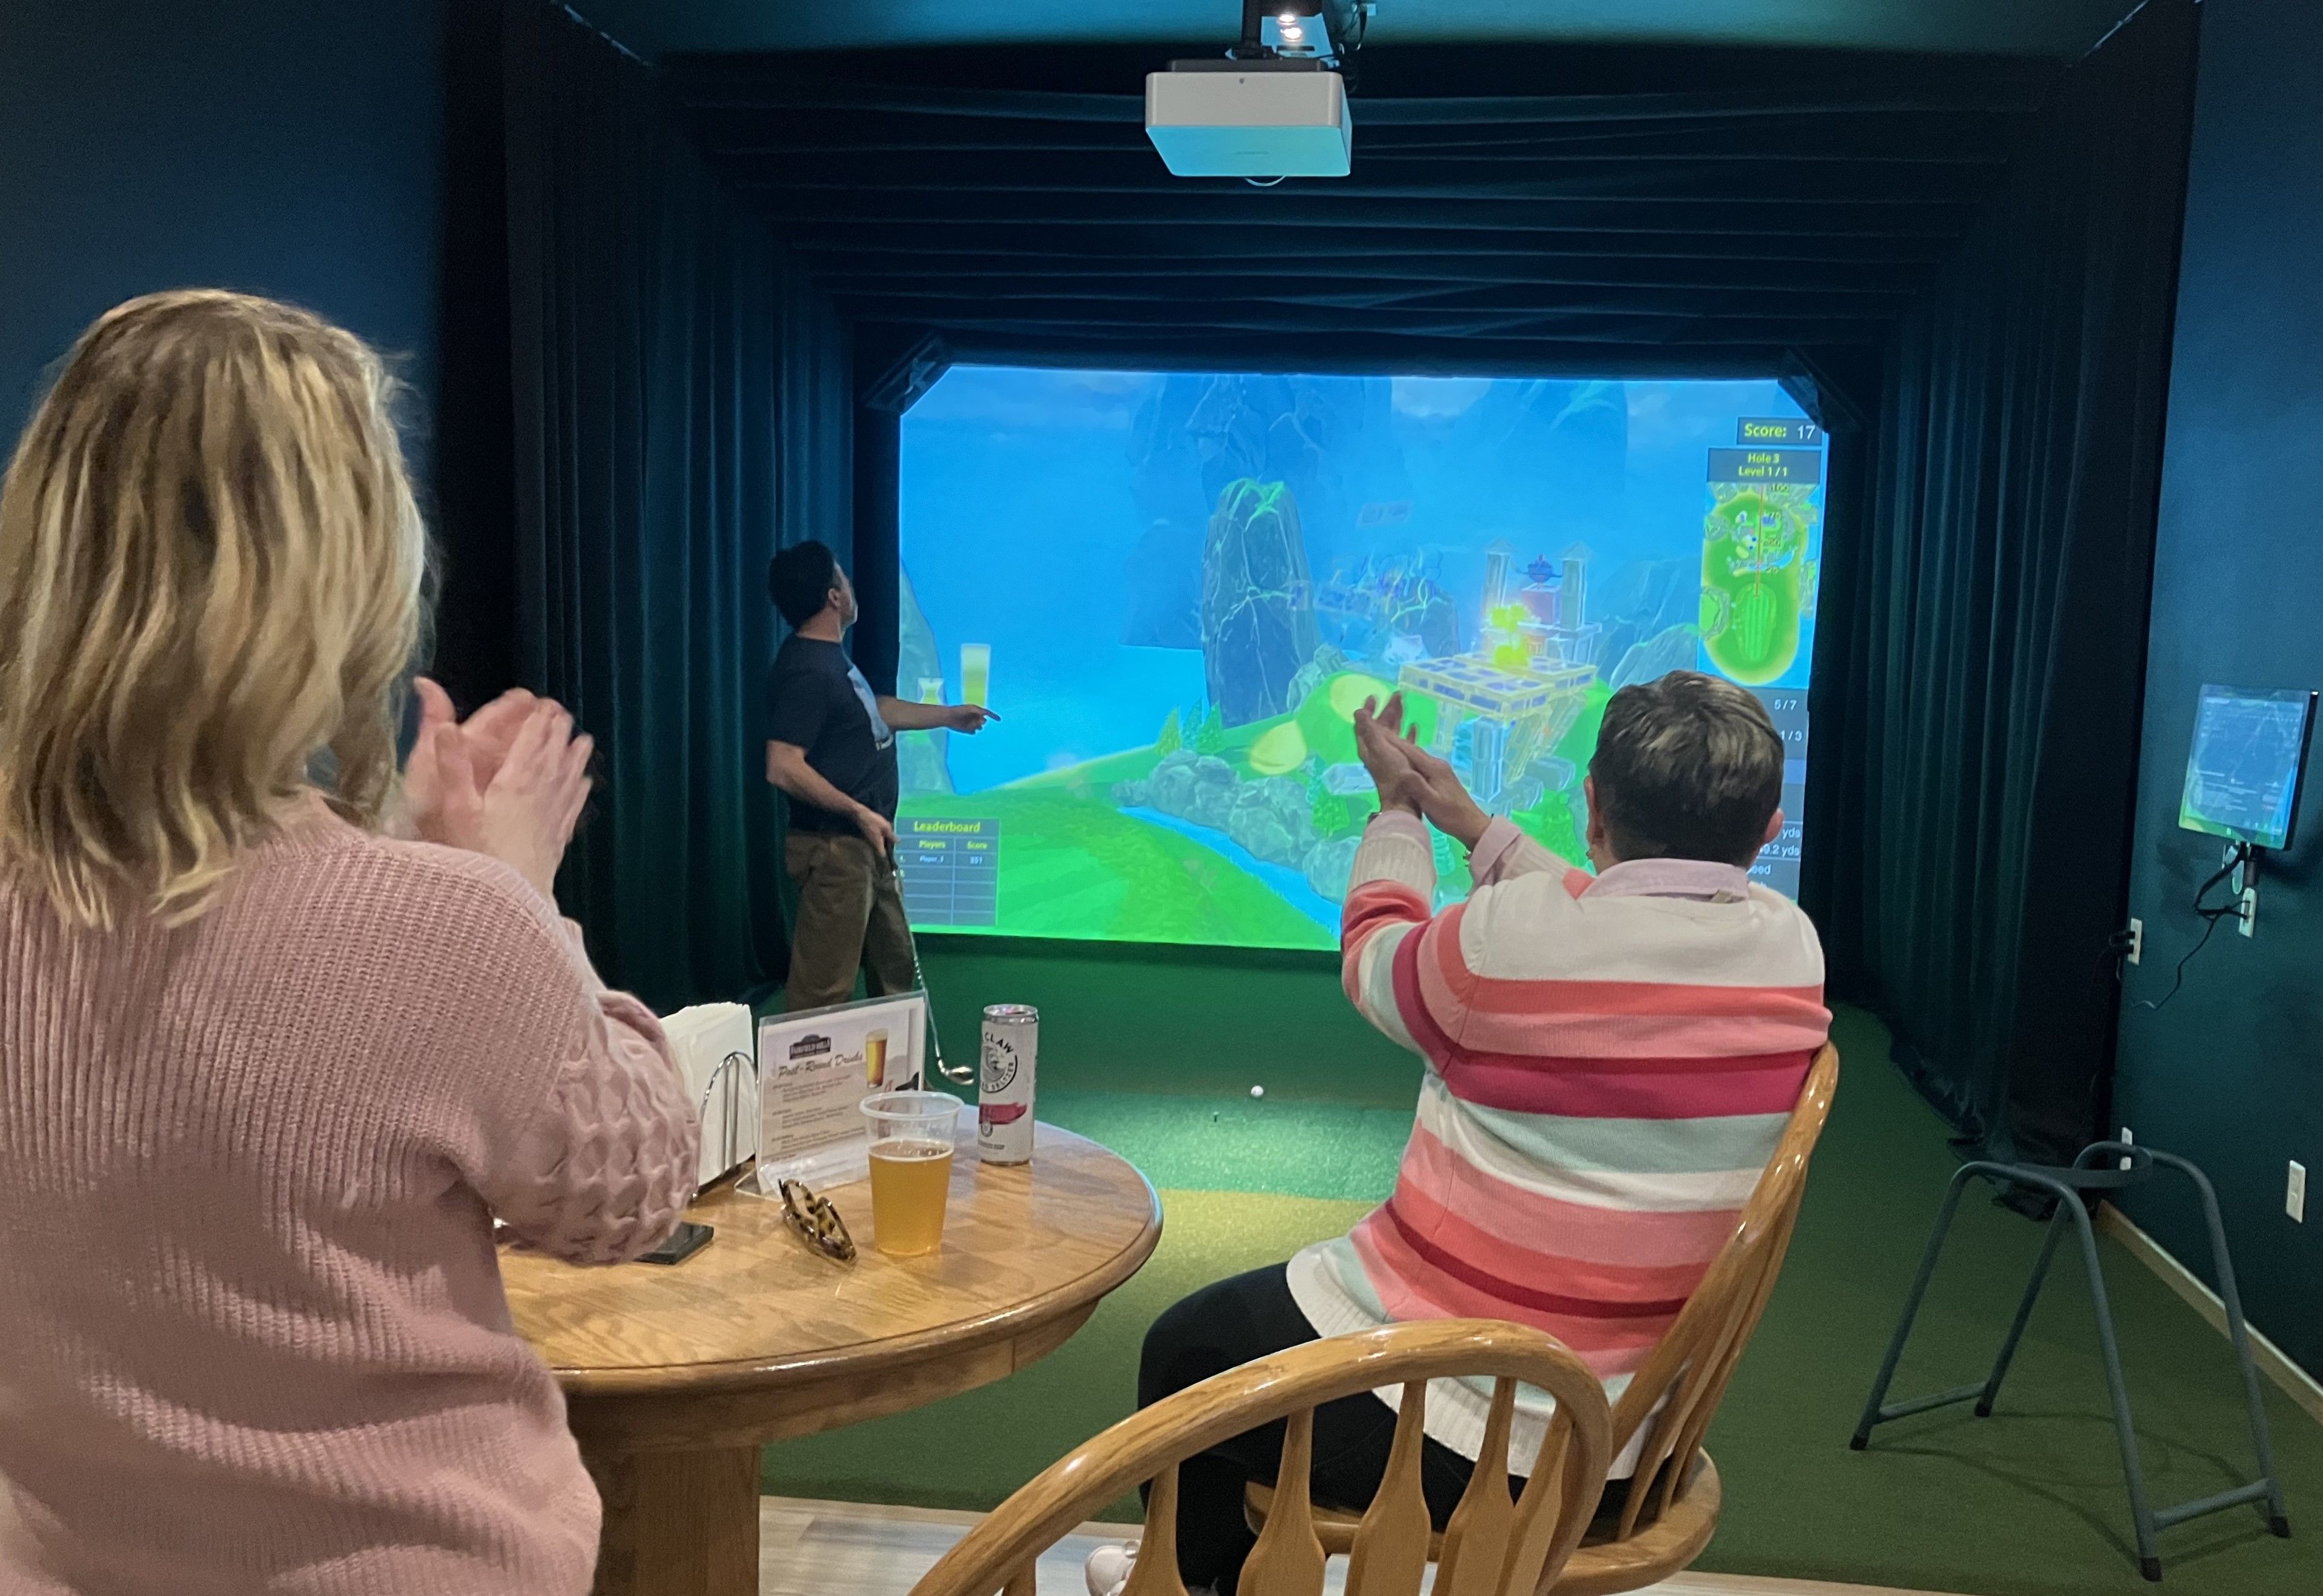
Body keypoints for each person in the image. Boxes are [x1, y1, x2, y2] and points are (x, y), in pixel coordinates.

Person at [0, 291, 700, 1595]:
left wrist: (430, 864)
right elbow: (634, 1192)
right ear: (346, 572)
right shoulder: (453, 927)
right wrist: (515, 891)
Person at [1088, 670, 1831, 1596]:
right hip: (1634, 1447)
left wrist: (1398, 812)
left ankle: (1190, 1580)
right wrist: (1472, 823)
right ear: (1767, 829)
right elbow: (1615, 913)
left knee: (1187, 1347)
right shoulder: (1790, 950)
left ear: (1592, 807)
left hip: (1467, 1437)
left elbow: (1373, 951)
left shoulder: (1500, 946)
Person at [764, 540, 994, 1011]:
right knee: (822, 992)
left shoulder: (832, 660)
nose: (850, 585)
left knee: (894, 972)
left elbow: (877, 711)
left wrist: (947, 715)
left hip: (866, 846)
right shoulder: (807, 669)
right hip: (836, 850)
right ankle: (812, 1084)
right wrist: (858, 812)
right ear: (833, 597)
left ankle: (899, 1082)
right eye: (843, 577)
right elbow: (782, 763)